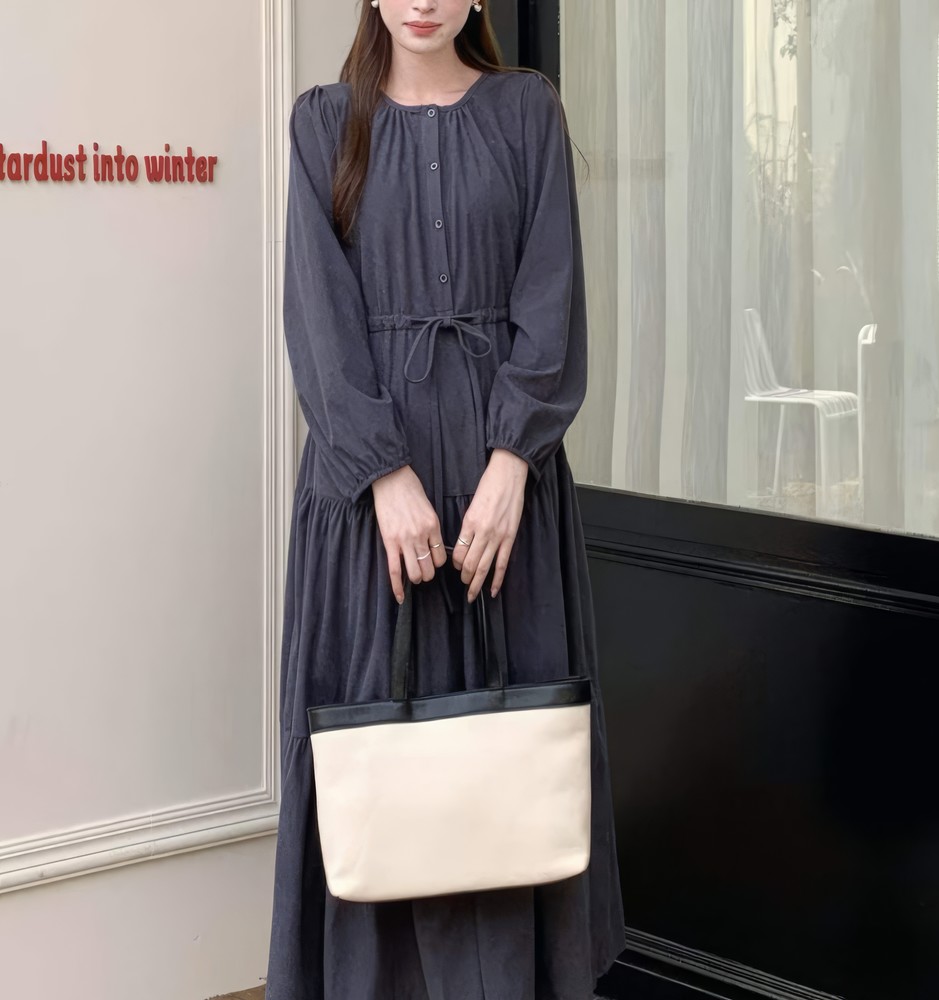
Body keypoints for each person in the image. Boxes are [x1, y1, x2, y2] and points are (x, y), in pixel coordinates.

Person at [264, 0, 626, 996]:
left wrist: (512, 466)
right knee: (377, 773)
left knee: (510, 769)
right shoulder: (322, 123)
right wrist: (383, 474)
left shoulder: (526, 112)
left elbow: (551, 298)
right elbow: (318, 322)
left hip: (507, 503)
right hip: (366, 510)